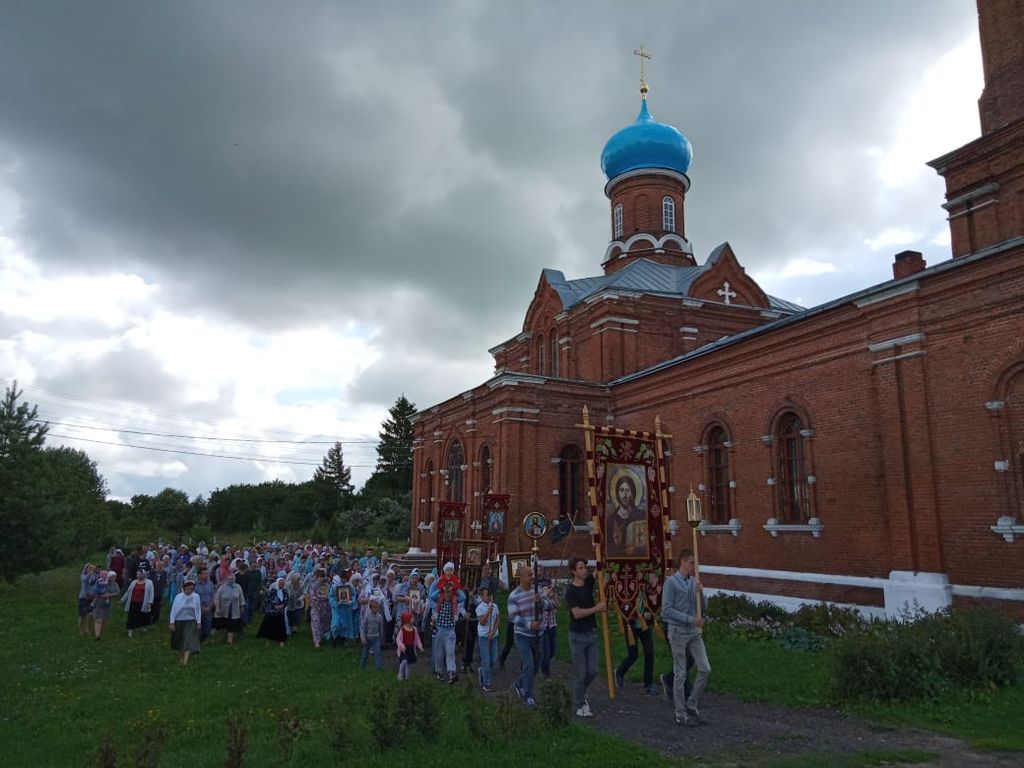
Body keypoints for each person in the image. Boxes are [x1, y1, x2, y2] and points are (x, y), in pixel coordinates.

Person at [661, 549, 711, 727]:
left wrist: (701, 593)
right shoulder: (671, 583)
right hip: (678, 632)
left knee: (705, 668)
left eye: (694, 563)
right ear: (682, 562)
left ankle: (692, 704)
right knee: (680, 673)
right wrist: (691, 619)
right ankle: (680, 713)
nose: (693, 566)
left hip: (694, 632)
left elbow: (702, 607)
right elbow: (666, 610)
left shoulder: (693, 582)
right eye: (691, 562)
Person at [564, 558, 606, 717]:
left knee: (593, 670)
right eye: (581, 568)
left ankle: (580, 692)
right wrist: (598, 608)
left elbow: (599, 571)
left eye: (584, 567)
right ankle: (580, 704)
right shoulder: (571, 591)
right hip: (577, 635)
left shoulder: (588, 583)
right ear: (574, 571)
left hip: (591, 633)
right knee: (580, 672)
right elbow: (577, 613)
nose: (584, 570)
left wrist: (602, 550)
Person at [507, 564, 552, 708]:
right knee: (529, 664)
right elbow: (513, 617)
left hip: (538, 636)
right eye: (530, 575)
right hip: (522, 636)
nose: (533, 577)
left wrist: (542, 601)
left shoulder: (537, 591)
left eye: (533, 574)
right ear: (521, 577)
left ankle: (520, 683)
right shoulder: (514, 596)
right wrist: (529, 624)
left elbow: (549, 606)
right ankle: (529, 695)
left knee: (535, 668)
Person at [615, 591, 659, 695]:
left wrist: (651, 615)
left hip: (645, 626)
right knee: (633, 654)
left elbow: (655, 604)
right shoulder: (628, 587)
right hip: (631, 626)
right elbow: (623, 606)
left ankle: (648, 684)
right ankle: (619, 672)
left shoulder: (648, 588)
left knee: (649, 652)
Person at [606, 473, 647, 558]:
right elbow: (608, 547)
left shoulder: (641, 515)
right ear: (617, 493)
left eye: (627, 490)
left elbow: (647, 543)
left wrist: (636, 550)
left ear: (633, 493)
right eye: (621, 490)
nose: (624, 495)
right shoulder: (610, 520)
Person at [431, 581, 462, 684]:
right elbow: (432, 595)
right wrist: (441, 589)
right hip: (440, 629)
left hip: (450, 630)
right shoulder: (439, 599)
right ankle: (439, 671)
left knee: (450, 652)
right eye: (446, 592)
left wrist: (455, 589)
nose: (448, 594)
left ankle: (451, 672)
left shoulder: (455, 600)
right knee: (439, 652)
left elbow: (463, 596)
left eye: (450, 592)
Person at [168, 577, 202, 665]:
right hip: (179, 620)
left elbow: (198, 610)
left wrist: (198, 622)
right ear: (184, 588)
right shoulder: (178, 597)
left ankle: (185, 662)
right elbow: (174, 610)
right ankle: (181, 657)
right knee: (181, 640)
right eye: (188, 589)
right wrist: (172, 622)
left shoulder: (196, 597)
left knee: (189, 639)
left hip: (191, 621)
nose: (190, 591)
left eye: (191, 589)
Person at [475, 585, 500, 692]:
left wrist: (493, 631)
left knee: (493, 659)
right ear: (482, 596)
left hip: (493, 636)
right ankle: (487, 683)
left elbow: (498, 619)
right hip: (483, 637)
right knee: (486, 660)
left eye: (490, 595)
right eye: (487, 595)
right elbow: (482, 622)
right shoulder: (479, 608)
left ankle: (483, 670)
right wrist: (488, 612)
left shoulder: (495, 606)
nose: (489, 597)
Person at [213, 572, 246, 646]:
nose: (230, 580)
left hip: (234, 610)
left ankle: (229, 641)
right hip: (223, 610)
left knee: (232, 624)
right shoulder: (222, 587)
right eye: (229, 579)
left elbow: (241, 597)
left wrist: (242, 606)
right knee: (223, 624)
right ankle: (223, 637)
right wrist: (217, 608)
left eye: (232, 579)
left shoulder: (238, 587)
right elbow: (217, 598)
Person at [257, 573, 289, 647]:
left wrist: (282, 605)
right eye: (281, 584)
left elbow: (287, 600)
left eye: (283, 584)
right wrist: (275, 606)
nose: (282, 585)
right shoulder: (272, 591)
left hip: (280, 612)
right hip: (271, 612)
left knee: (280, 627)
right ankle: (267, 641)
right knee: (269, 627)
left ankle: (281, 641)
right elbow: (267, 600)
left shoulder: (285, 591)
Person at [121, 568, 154, 639]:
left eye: (139, 574)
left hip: (143, 602)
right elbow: (128, 591)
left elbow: (151, 593)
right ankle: (130, 631)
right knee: (131, 616)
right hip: (133, 601)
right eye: (137, 574)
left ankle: (142, 628)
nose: (137, 575)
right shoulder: (134, 582)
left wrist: (150, 602)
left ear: (143, 574)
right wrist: (123, 599)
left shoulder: (149, 582)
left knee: (143, 615)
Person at [396, 610, 423, 681]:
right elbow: (398, 639)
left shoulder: (414, 629)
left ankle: (407, 677)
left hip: (411, 648)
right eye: (412, 618)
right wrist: (401, 646)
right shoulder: (402, 629)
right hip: (404, 649)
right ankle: (400, 674)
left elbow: (417, 639)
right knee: (403, 661)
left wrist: (420, 646)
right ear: (407, 619)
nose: (413, 619)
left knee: (409, 664)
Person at [91, 571, 119, 640]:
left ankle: (100, 632)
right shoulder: (100, 582)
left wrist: (109, 595)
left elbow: (117, 592)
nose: (113, 578)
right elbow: (94, 591)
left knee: (104, 621)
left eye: (114, 576)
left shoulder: (115, 584)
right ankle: (97, 636)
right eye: (112, 576)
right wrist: (100, 595)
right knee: (98, 620)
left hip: (107, 605)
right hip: (98, 603)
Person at [307, 569, 331, 648]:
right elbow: (312, 596)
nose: (322, 579)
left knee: (324, 623)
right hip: (316, 607)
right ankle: (317, 641)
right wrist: (322, 597)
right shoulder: (313, 585)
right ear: (317, 577)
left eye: (323, 577)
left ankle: (323, 636)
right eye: (320, 577)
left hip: (325, 607)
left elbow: (329, 593)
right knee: (316, 623)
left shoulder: (326, 585)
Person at [360, 597, 384, 670]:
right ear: (371, 608)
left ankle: (379, 668)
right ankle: (361, 667)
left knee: (378, 653)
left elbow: (381, 627)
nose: (376, 609)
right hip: (368, 637)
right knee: (365, 654)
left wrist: (381, 635)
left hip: (376, 638)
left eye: (377, 608)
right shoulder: (367, 616)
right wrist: (363, 637)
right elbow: (363, 627)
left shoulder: (379, 616)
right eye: (375, 608)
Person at [194, 567, 215, 641]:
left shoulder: (210, 584)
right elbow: (194, 598)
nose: (207, 575)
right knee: (199, 626)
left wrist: (210, 606)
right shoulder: (195, 585)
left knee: (208, 627)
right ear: (199, 575)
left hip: (208, 608)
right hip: (198, 608)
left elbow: (213, 596)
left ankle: (204, 640)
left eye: (207, 573)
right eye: (204, 573)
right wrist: (201, 607)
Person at [78, 563, 97, 635]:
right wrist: (89, 573)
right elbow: (85, 580)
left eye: (92, 568)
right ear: (86, 568)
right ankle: (81, 630)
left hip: (91, 597)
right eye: (89, 568)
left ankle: (87, 629)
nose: (91, 569)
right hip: (83, 597)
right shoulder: (83, 575)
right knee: (82, 615)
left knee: (90, 614)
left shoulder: (94, 576)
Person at [149, 559, 169, 626]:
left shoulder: (164, 573)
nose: (160, 568)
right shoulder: (151, 572)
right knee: (151, 605)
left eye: (161, 566)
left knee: (157, 606)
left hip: (159, 592)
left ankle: (156, 619)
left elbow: (164, 582)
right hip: (152, 591)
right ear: (156, 566)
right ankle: (149, 617)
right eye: (158, 566)